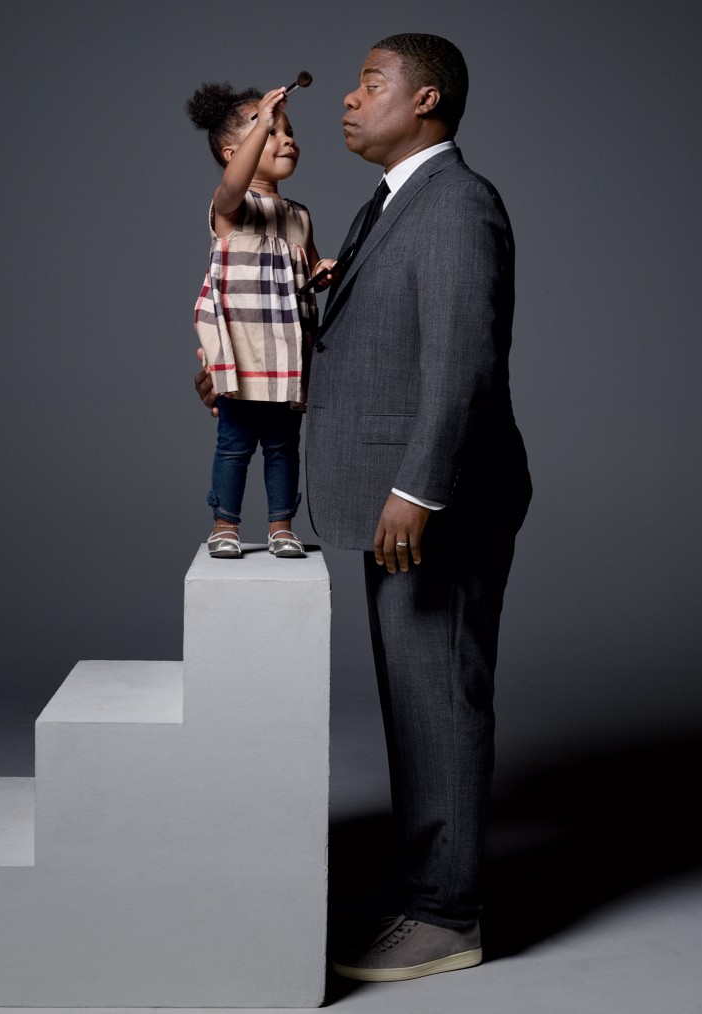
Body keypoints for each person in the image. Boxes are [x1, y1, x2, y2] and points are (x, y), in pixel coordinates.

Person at [195, 34, 532, 981]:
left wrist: (417, 489)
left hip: (437, 504)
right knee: (416, 701)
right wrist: (233, 362)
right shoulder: (398, 203)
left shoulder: (458, 204)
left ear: (424, 101)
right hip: (399, 502)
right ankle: (422, 887)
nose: (347, 100)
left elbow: (462, 360)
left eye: (369, 85)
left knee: (440, 701)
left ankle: (445, 916)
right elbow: (353, 328)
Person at [187, 81, 328, 559]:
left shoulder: (299, 215)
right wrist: (262, 121)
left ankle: (281, 526)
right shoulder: (231, 209)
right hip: (243, 354)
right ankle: (225, 523)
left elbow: (309, 267)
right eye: (270, 132)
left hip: (286, 351)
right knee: (234, 445)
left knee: (284, 447)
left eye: (288, 131)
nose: (286, 138)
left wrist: (323, 270)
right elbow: (231, 185)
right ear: (235, 152)